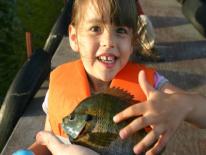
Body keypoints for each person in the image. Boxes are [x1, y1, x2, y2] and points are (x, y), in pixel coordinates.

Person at [14, 0, 206, 155]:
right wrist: (30, 153)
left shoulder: (150, 86)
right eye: (95, 28)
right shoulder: (60, 85)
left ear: (133, 42)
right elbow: (49, 141)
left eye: (120, 31)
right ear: (73, 37)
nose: (108, 42)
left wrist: (183, 105)